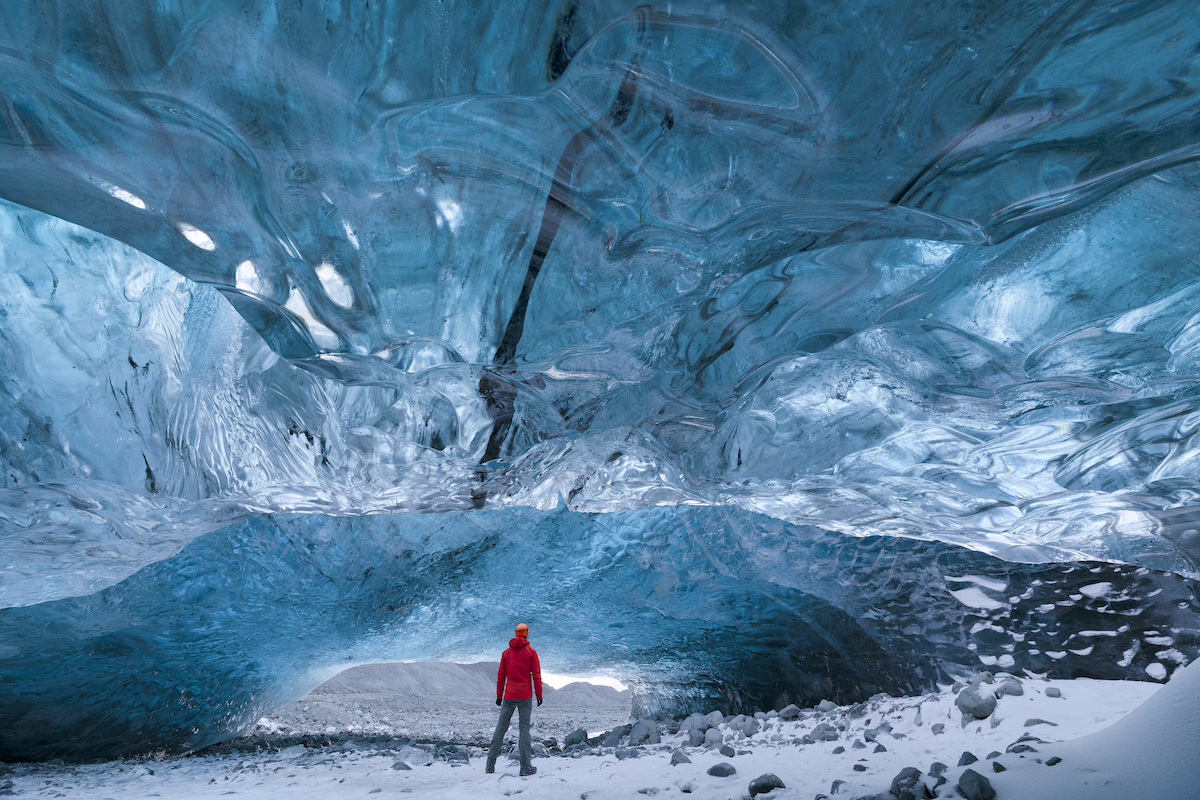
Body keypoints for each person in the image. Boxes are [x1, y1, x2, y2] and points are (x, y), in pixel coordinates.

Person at [486, 622, 543, 776]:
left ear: (516, 634)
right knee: (524, 730)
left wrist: (499, 695)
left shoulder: (506, 653)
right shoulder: (531, 652)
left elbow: (501, 676)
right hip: (525, 696)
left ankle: (490, 765)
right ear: (527, 633)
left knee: (500, 729)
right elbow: (536, 676)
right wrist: (539, 695)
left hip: (509, 696)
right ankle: (525, 767)